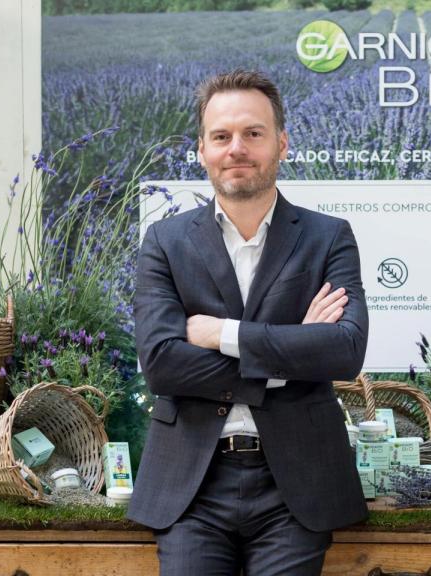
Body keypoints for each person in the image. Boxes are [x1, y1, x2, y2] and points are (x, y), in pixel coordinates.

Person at [129, 69, 369, 575]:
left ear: (281, 144)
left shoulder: (328, 237)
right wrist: (293, 352)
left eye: (253, 134)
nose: (236, 148)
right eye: (221, 136)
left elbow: (344, 351)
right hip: (191, 484)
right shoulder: (164, 242)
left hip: (296, 484)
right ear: (201, 150)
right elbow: (162, 366)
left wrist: (222, 334)